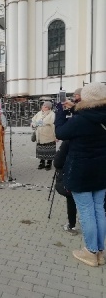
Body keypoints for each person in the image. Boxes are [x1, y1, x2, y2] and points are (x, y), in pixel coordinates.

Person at [55, 82, 106, 267]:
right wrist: (75, 108)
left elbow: (60, 132)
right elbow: (91, 115)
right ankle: (100, 251)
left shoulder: (80, 120)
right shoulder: (96, 115)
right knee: (99, 209)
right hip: (102, 170)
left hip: (82, 172)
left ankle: (91, 252)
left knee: (86, 212)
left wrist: (60, 112)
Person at [53, 140, 78, 235]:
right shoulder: (100, 135)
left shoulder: (69, 140)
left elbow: (58, 162)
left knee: (71, 197)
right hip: (97, 176)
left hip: (74, 174)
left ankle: (71, 225)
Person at [31, 101, 56, 170]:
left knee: (49, 150)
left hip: (48, 135)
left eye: (45, 106)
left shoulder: (52, 114)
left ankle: (49, 163)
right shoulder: (39, 113)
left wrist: (41, 123)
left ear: (48, 108)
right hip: (40, 135)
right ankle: (42, 162)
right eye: (43, 105)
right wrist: (33, 124)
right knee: (41, 149)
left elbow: (52, 122)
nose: (43, 107)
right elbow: (33, 120)